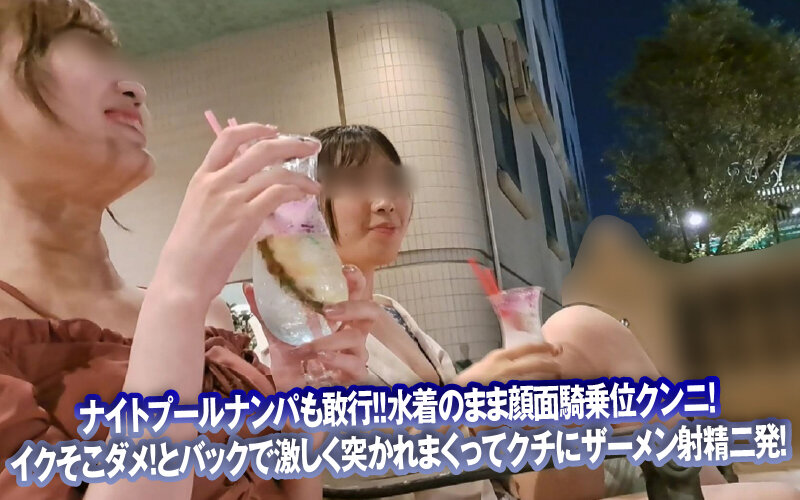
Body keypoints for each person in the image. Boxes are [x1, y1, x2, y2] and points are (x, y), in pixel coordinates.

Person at [0, 1, 375, 499]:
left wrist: (299, 414)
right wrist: (179, 292)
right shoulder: (184, 305)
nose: (135, 87)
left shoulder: (210, 317)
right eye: (74, 44)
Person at [306, 125, 800, 500]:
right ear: (307, 205)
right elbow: (348, 469)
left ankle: (695, 479)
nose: (385, 202)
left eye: (393, 181)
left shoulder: (391, 313)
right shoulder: (301, 337)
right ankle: (697, 481)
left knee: (579, 330)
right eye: (355, 183)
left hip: (497, 479)